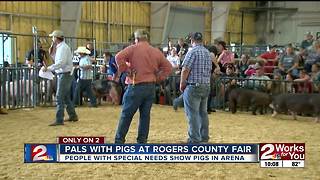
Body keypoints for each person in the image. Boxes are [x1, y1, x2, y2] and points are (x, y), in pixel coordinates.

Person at [114, 29, 172, 144]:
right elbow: (168, 67)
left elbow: (118, 57)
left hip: (136, 85)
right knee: (145, 116)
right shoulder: (155, 51)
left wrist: (126, 70)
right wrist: (158, 78)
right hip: (150, 87)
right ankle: (142, 140)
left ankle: (119, 140)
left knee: (126, 114)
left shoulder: (133, 48)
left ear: (137, 39)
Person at [179, 32, 212, 144]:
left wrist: (182, 83)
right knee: (203, 113)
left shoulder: (192, 52)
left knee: (193, 113)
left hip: (193, 86)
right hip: (206, 85)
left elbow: (185, 69)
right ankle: (204, 137)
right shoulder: (208, 53)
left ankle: (194, 139)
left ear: (192, 41)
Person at [42, 30, 78, 126]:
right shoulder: (61, 47)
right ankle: (72, 115)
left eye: (53, 37)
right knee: (65, 96)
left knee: (59, 96)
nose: (52, 39)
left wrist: (48, 68)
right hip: (64, 74)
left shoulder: (62, 48)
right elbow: (59, 61)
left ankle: (59, 119)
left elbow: (60, 63)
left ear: (56, 38)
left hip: (64, 74)